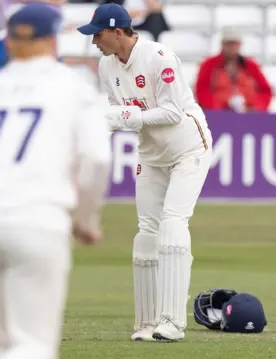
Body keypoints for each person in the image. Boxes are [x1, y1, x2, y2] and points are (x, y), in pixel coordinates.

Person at [0, 4, 112, 359]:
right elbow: (97, 159)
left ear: (10, 43)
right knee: (32, 344)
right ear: (52, 41)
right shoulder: (73, 87)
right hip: (37, 217)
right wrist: (85, 220)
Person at [77, 3, 213, 342]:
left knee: (172, 224)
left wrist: (128, 118)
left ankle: (172, 322)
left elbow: (171, 113)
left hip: (188, 148)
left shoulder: (160, 57)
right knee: (146, 232)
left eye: (98, 35)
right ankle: (147, 322)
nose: (95, 42)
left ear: (118, 32)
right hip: (151, 154)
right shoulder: (106, 66)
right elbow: (114, 111)